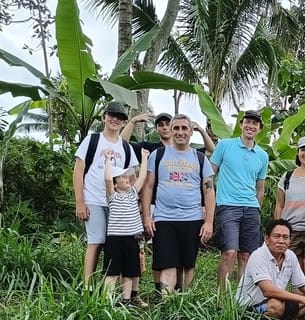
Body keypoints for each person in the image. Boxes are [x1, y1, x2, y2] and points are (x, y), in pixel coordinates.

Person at [122, 112, 214, 294]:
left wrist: (209, 222)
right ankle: (166, 300)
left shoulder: (200, 158)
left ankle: (185, 301)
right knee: (167, 263)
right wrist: (147, 216)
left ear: (190, 132)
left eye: (184, 128)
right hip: (164, 219)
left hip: (192, 218)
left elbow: (209, 190)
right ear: (171, 131)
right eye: (176, 128)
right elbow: (148, 186)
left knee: (188, 264)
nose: (180, 132)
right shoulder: (158, 155)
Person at [73, 101, 139, 287]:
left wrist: (134, 205)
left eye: (120, 118)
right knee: (96, 241)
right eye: (111, 115)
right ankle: (88, 286)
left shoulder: (126, 148)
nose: (115, 120)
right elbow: (78, 171)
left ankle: (113, 286)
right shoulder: (92, 140)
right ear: (104, 118)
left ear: (124, 122)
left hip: (118, 203)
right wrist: (80, 201)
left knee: (116, 242)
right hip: (93, 198)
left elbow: (132, 178)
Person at [211, 110, 269, 290]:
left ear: (259, 129)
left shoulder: (262, 155)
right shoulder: (225, 146)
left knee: (246, 255)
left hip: (251, 209)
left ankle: (241, 298)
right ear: (241, 124)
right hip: (227, 206)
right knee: (229, 252)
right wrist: (207, 204)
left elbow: (260, 187)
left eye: (255, 124)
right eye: (248, 122)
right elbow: (209, 175)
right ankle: (222, 298)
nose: (251, 126)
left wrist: (257, 208)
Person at [236, 219, 305, 319]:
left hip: (276, 301)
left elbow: (303, 285)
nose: (281, 241)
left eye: (285, 237)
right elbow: (268, 290)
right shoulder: (258, 256)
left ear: (290, 240)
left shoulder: (290, 256)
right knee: (276, 306)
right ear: (267, 239)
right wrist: (304, 299)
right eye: (276, 236)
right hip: (248, 308)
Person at [273, 136, 305, 285]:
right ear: (298, 153)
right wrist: (278, 227)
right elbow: (280, 204)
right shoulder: (287, 176)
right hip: (291, 231)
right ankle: (299, 306)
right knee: (294, 274)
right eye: (303, 150)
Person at [102, 150, 148, 307]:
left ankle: (126, 300)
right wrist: (108, 160)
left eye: (126, 176)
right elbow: (107, 178)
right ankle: (106, 301)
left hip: (133, 238)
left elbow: (142, 177)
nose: (127, 178)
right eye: (122, 177)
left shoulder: (133, 193)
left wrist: (144, 158)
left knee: (130, 272)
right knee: (112, 272)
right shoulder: (112, 196)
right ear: (115, 183)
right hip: (115, 239)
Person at [121, 112, 215, 156]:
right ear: (156, 129)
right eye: (161, 125)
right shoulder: (149, 148)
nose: (165, 127)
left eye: (168, 124)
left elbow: (211, 151)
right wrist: (133, 121)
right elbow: (121, 146)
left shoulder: (187, 151)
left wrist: (202, 131)